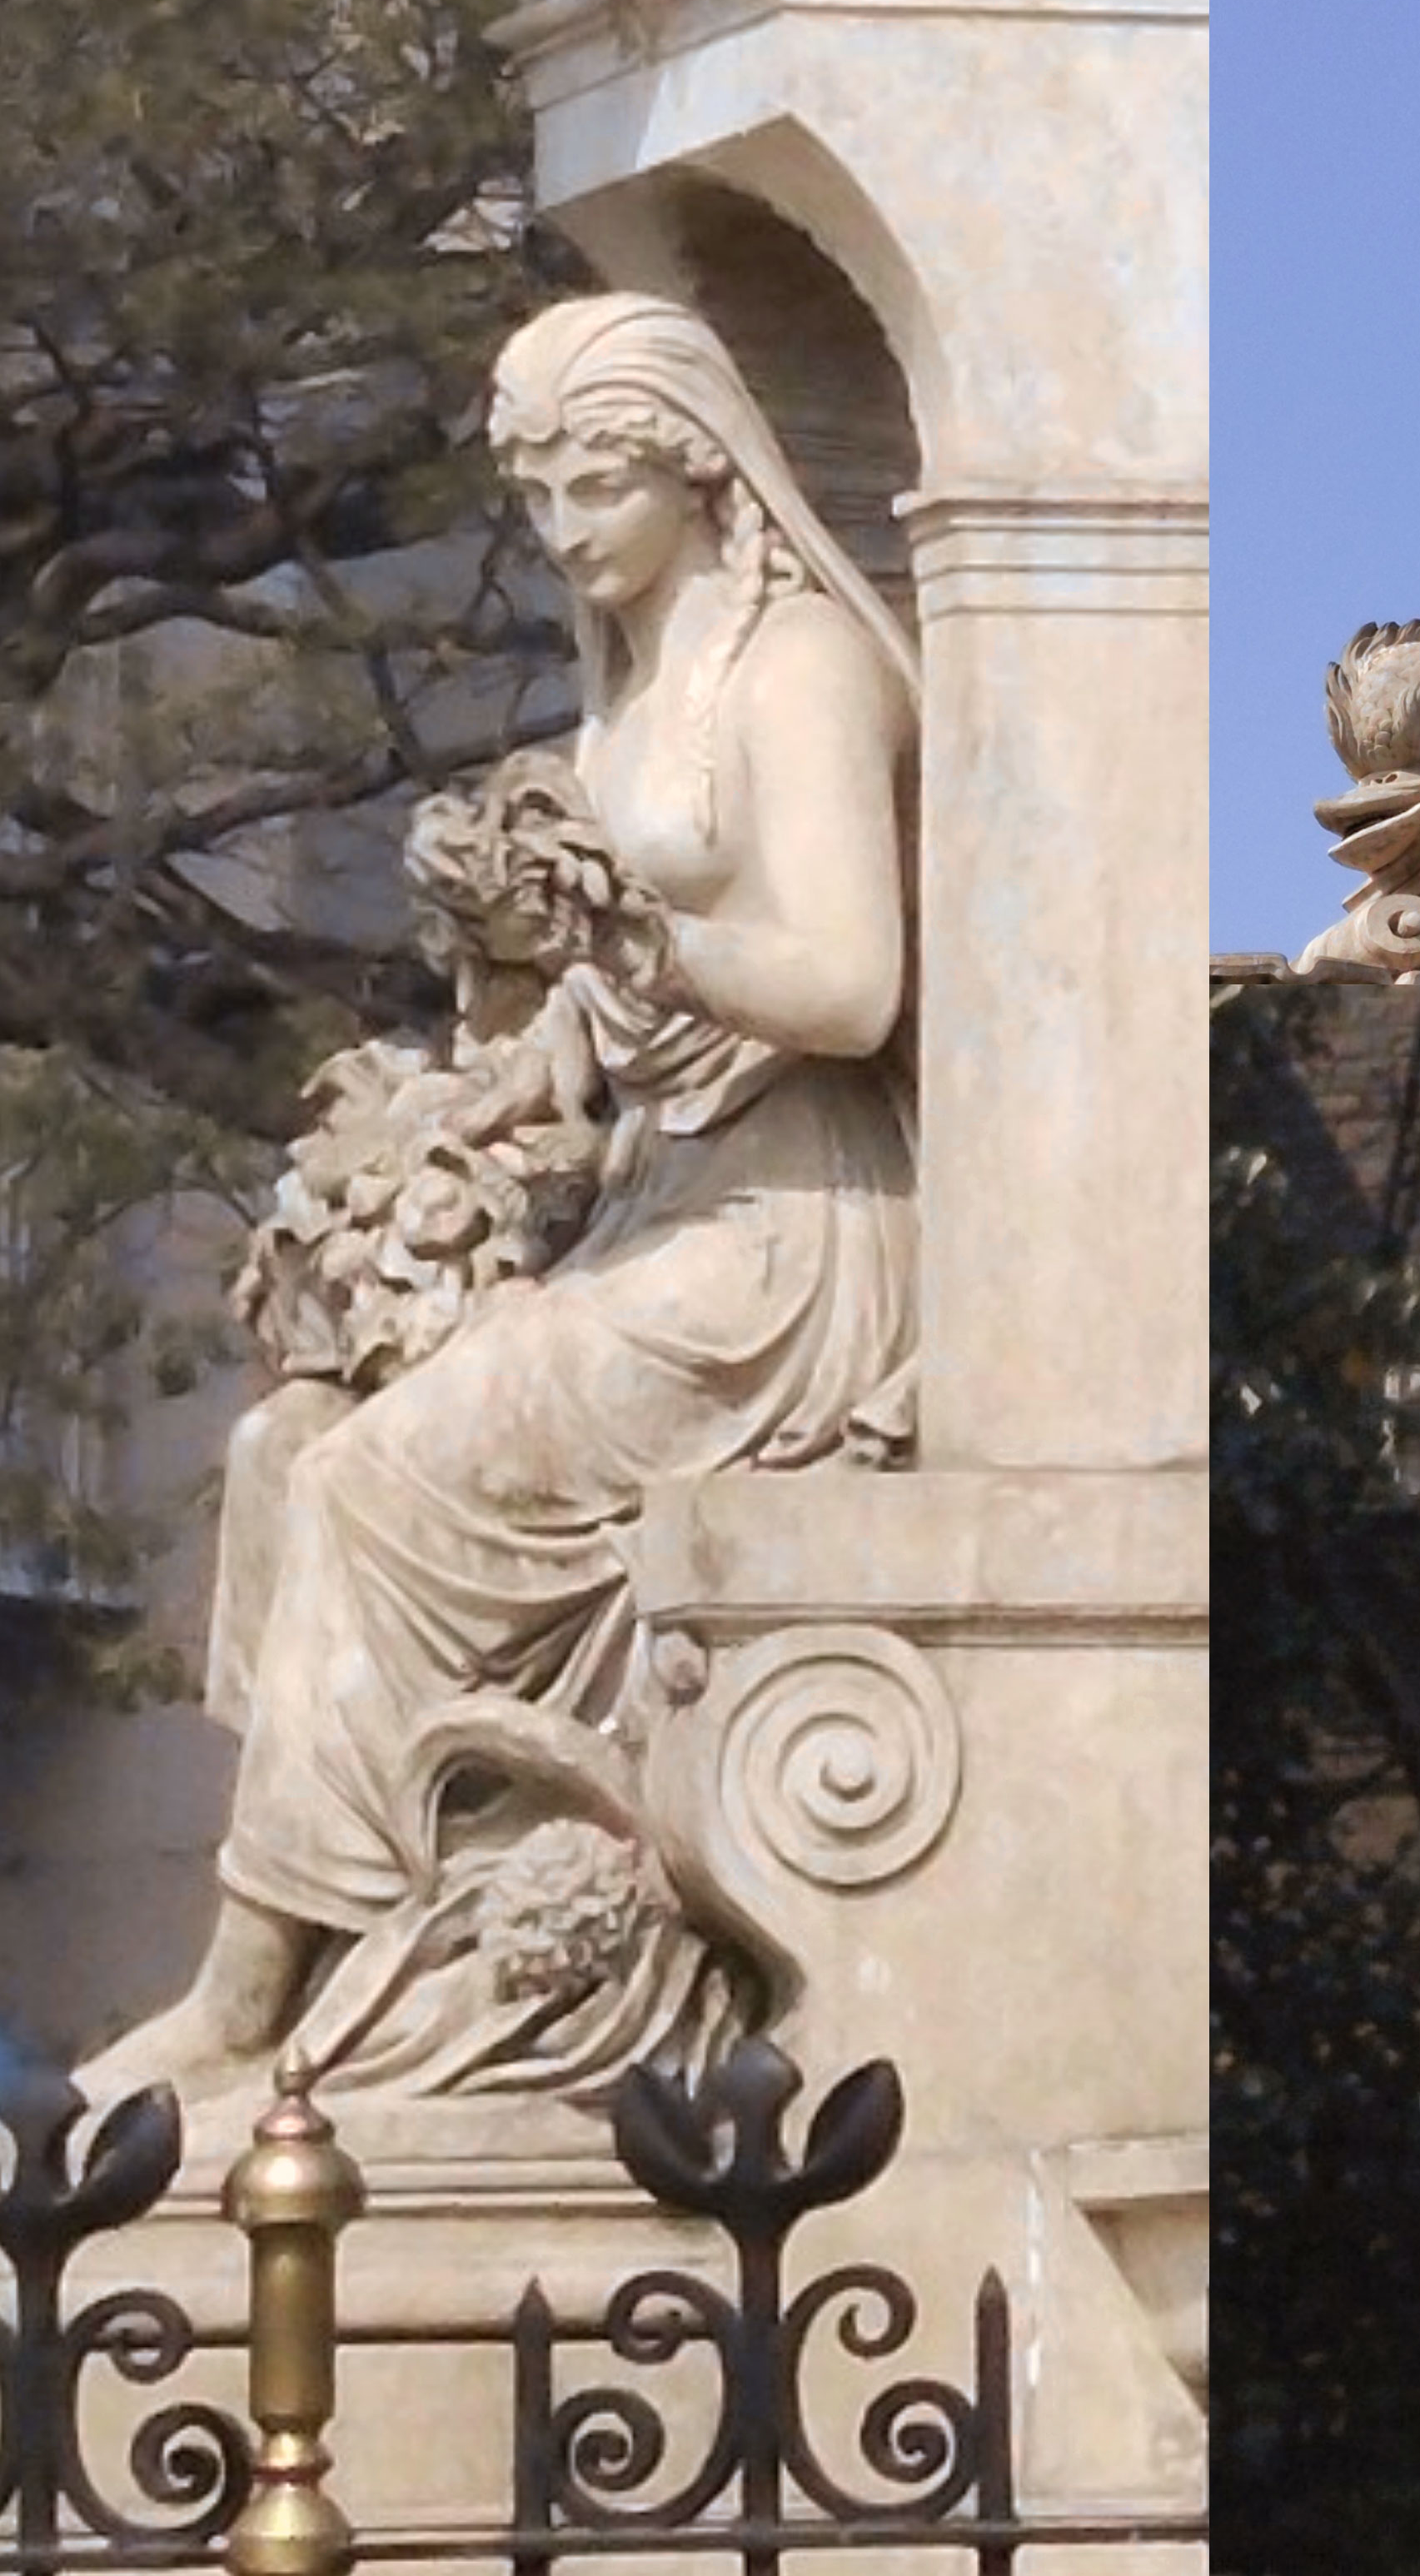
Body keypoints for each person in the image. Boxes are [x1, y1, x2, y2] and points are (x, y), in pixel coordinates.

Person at [92, 295, 916, 2101]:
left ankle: (248, 1995)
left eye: (596, 485)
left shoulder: (797, 669)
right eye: (537, 495)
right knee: (285, 1446)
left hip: (780, 1240)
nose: (563, 530)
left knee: (376, 1480)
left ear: (701, 466)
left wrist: (644, 943)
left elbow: (853, 985)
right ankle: (350, 1942)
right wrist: (495, 1075)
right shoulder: (636, 677)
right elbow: (605, 1021)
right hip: (647, 1200)